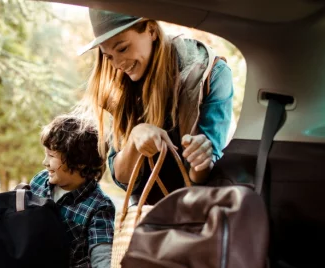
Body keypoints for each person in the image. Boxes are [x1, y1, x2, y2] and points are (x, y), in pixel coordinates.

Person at [79, 8, 234, 205]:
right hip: (145, 217)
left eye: (122, 48)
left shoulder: (212, 74)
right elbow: (123, 179)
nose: (117, 64)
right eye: (108, 56)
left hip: (195, 211)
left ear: (151, 30)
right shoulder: (121, 87)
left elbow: (203, 178)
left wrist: (201, 159)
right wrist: (135, 138)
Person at [17, 115, 117, 268]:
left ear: (79, 162)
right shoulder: (39, 182)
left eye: (51, 156)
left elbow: (102, 258)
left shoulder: (99, 207)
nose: (45, 162)